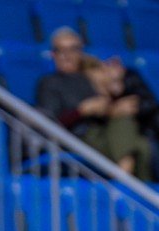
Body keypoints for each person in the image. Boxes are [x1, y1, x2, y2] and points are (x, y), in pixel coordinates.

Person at [35, 28, 152, 180]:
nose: (68, 56)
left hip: (103, 132)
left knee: (140, 142)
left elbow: (111, 105)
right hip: (76, 138)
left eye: (73, 49)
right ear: (53, 54)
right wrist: (81, 111)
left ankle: (132, 187)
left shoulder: (90, 76)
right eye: (61, 50)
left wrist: (114, 99)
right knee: (134, 142)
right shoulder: (49, 83)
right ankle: (125, 185)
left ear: (81, 52)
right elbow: (49, 123)